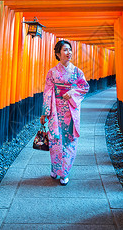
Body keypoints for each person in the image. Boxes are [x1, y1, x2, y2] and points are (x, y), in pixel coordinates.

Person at [40, 40, 89, 186]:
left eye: (70, 50)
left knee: (69, 141)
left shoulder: (77, 72)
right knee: (55, 141)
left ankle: (65, 172)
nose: (69, 53)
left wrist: (72, 92)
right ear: (57, 54)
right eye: (65, 50)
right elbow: (48, 92)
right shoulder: (52, 73)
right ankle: (55, 168)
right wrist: (45, 112)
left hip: (71, 111)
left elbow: (84, 88)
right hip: (56, 110)